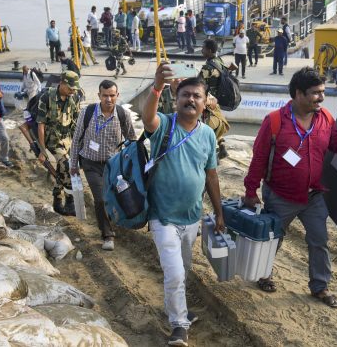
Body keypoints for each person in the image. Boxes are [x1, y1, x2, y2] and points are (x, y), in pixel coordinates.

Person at [242, 67, 337, 307]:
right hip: (280, 196)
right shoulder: (274, 122)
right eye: (315, 93)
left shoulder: (325, 118)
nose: (321, 97)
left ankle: (320, 287)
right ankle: (264, 275)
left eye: (323, 92)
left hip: (313, 196)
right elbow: (258, 159)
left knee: (319, 240)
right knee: (273, 239)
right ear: (298, 94)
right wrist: (250, 192)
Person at [142, 65, 224, 347]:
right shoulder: (164, 125)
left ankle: (175, 308)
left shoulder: (208, 135)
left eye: (196, 96)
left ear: (205, 101)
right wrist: (157, 86)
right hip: (162, 217)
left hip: (192, 218)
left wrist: (219, 213)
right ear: (176, 99)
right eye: (185, 95)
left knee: (183, 269)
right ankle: (179, 325)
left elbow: (211, 176)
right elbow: (147, 118)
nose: (191, 99)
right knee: (175, 273)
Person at [70, 80, 136, 251]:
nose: (108, 99)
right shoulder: (87, 112)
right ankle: (107, 234)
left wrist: (132, 164)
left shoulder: (122, 114)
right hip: (90, 163)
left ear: (117, 95)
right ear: (99, 95)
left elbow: (131, 140)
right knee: (100, 199)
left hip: (113, 166)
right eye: (105, 95)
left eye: (112, 95)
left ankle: (115, 221)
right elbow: (76, 139)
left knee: (114, 196)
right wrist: (73, 164)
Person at [36, 71, 82, 215]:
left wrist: (79, 143)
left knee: (63, 169)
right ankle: (70, 202)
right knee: (67, 167)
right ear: (61, 83)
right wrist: (42, 150)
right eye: (70, 88)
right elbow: (41, 125)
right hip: (53, 140)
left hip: (68, 138)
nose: (72, 91)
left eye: (74, 88)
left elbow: (77, 121)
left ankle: (57, 200)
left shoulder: (74, 97)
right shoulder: (47, 97)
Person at [199, 39, 234, 159]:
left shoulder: (207, 67)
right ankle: (222, 144)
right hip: (217, 99)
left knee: (206, 126)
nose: (201, 50)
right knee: (215, 122)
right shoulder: (219, 61)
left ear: (209, 50)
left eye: (203, 48)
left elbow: (198, 84)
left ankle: (213, 154)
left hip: (208, 101)